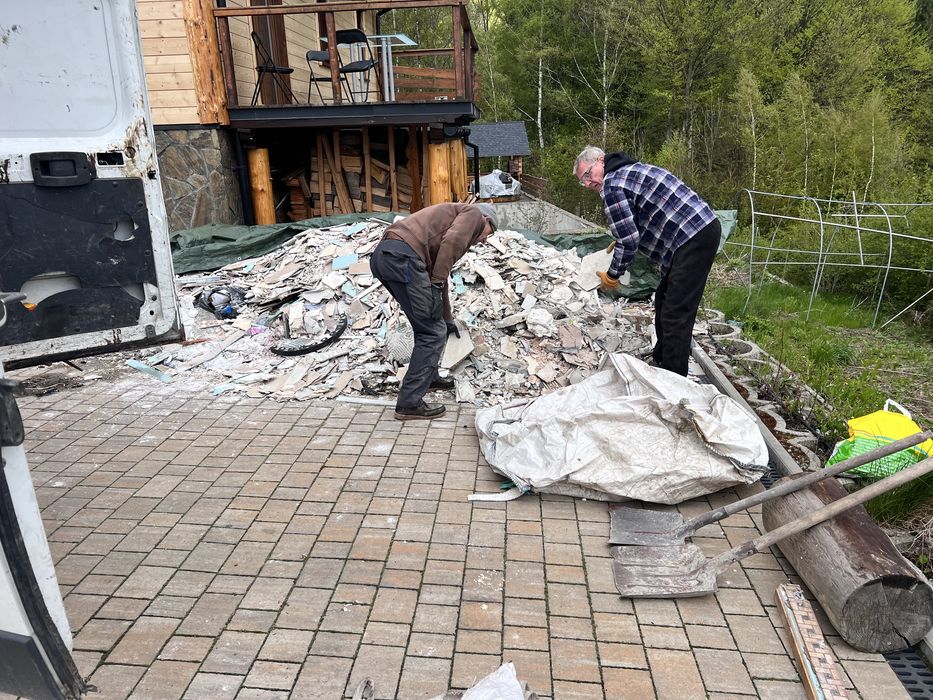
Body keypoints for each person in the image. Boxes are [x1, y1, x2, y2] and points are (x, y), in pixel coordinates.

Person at [573, 145, 721, 376]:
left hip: (692, 235)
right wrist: (623, 239)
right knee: (663, 300)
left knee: (676, 312)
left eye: (587, 174)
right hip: (697, 231)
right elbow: (641, 219)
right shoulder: (630, 169)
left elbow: (629, 240)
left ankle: (673, 379)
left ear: (601, 161)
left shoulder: (611, 185)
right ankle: (662, 360)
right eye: (582, 181)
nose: (587, 183)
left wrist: (613, 274)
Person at [370, 202, 498, 420]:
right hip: (403, 260)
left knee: (427, 326)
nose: (485, 239)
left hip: (388, 257)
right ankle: (409, 403)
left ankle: (429, 378)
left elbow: (440, 276)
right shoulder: (474, 214)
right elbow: (451, 245)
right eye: (490, 232)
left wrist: (447, 318)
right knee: (431, 331)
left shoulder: (440, 231)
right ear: (486, 220)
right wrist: (437, 286)